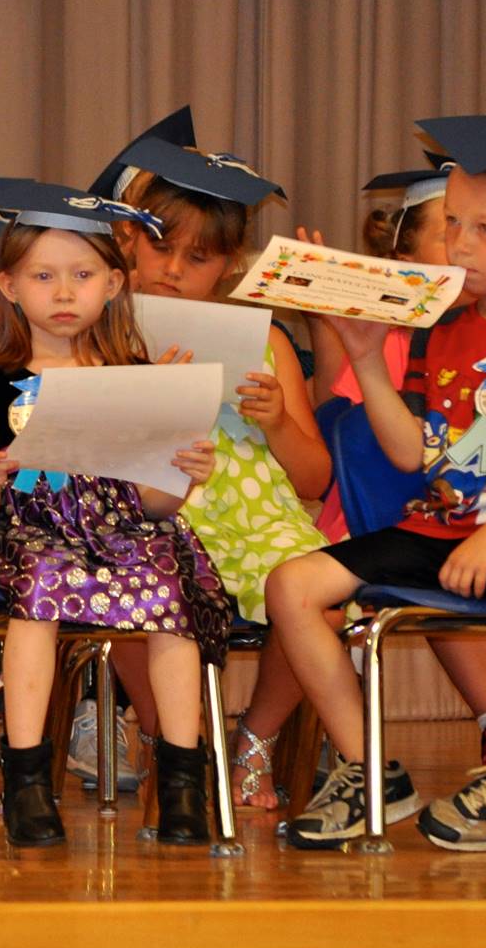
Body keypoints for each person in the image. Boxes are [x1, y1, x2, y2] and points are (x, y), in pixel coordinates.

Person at [271, 115, 486, 852]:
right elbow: (414, 456)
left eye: (483, 230)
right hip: (443, 524)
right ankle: (369, 768)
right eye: (453, 223)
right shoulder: (441, 328)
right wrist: (368, 362)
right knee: (291, 586)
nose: (459, 245)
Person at [0, 176, 231, 847]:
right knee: (41, 586)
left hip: (121, 529)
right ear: (11, 284)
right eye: (45, 275)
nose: (66, 291)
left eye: (83, 274)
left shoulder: (131, 372)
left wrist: (180, 475)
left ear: (112, 283)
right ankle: (25, 779)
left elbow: (154, 505)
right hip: (21, 528)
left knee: (166, 584)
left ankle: (183, 782)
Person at [96, 128, 331, 809]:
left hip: (255, 518)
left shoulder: (267, 342)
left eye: (197, 257)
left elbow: (314, 479)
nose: (173, 268)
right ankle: (167, 737)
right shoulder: (101, 332)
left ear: (227, 266)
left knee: (313, 582)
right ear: (128, 241)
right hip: (158, 507)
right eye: (160, 245)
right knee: (128, 577)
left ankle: (254, 739)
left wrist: (278, 419)